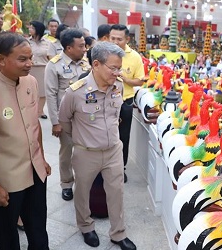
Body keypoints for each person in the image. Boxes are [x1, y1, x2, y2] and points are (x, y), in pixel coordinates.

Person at [0, 32, 50, 249]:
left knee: (38, 228)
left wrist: (41, 158)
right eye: (22, 59)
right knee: (6, 235)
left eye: (30, 58)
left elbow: (34, 125)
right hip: (7, 178)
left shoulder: (30, 82)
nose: (29, 64)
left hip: (35, 170)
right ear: (1, 59)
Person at [58, 42, 137, 250]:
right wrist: (81, 139)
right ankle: (86, 227)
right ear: (96, 64)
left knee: (117, 192)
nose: (117, 72)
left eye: (119, 68)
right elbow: (64, 120)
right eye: (113, 68)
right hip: (86, 153)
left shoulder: (118, 86)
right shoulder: (76, 92)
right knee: (82, 192)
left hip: (113, 151)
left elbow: (116, 115)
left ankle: (118, 233)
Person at [45, 29, 89, 201]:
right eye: (81, 46)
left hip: (86, 118)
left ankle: (83, 183)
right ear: (69, 48)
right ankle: (66, 184)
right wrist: (56, 122)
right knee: (67, 152)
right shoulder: (54, 65)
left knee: (85, 152)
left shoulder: (87, 64)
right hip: (67, 120)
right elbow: (50, 94)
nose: (85, 49)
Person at [109, 24, 146, 183]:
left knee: (123, 137)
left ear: (127, 39)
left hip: (125, 103)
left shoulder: (134, 57)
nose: (115, 42)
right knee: (105, 136)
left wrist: (125, 79)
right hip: (105, 101)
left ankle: (120, 168)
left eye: (119, 39)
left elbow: (140, 81)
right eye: (112, 38)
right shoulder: (103, 53)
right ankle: (105, 168)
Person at [28, 21, 51, 119]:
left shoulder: (47, 43)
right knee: (29, 90)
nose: (30, 29)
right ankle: (30, 110)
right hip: (30, 69)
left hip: (43, 68)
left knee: (42, 91)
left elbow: (51, 57)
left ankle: (40, 111)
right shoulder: (26, 42)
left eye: (32, 28)